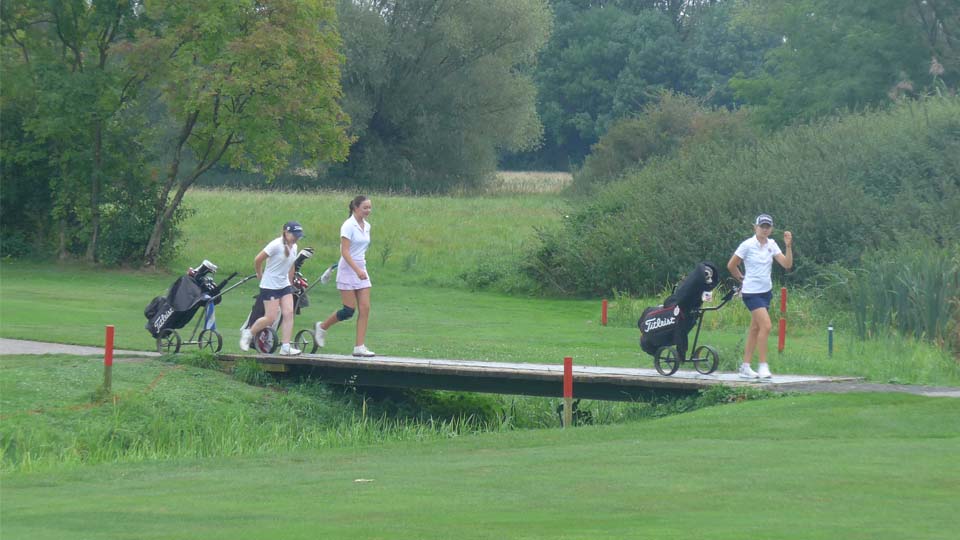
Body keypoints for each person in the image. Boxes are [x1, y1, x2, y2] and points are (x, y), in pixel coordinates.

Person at [726, 213, 793, 379]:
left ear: (771, 229)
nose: (764, 229)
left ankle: (745, 367)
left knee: (755, 328)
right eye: (762, 226)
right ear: (755, 227)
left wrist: (788, 246)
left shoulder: (772, 244)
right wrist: (741, 278)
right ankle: (763, 365)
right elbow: (731, 265)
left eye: (767, 226)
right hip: (751, 292)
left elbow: (787, 264)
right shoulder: (747, 245)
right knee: (767, 326)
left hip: (765, 292)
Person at [314, 196, 376, 357]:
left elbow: (360, 249)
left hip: (361, 268)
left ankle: (359, 347)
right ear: (355, 207)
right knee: (349, 310)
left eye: (369, 208)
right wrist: (356, 270)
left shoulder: (367, 226)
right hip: (349, 270)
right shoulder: (348, 225)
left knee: (365, 308)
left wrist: (361, 268)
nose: (368, 211)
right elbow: (345, 252)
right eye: (365, 208)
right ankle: (322, 327)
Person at [240, 221, 304, 356]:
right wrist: (259, 274)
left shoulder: (294, 247)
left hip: (284, 284)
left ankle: (285, 347)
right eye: (294, 235)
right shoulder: (275, 245)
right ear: (286, 232)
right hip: (270, 285)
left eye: (298, 236)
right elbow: (258, 259)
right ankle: (249, 333)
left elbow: (291, 264)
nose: (296, 238)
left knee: (288, 313)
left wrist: (290, 283)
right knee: (270, 318)